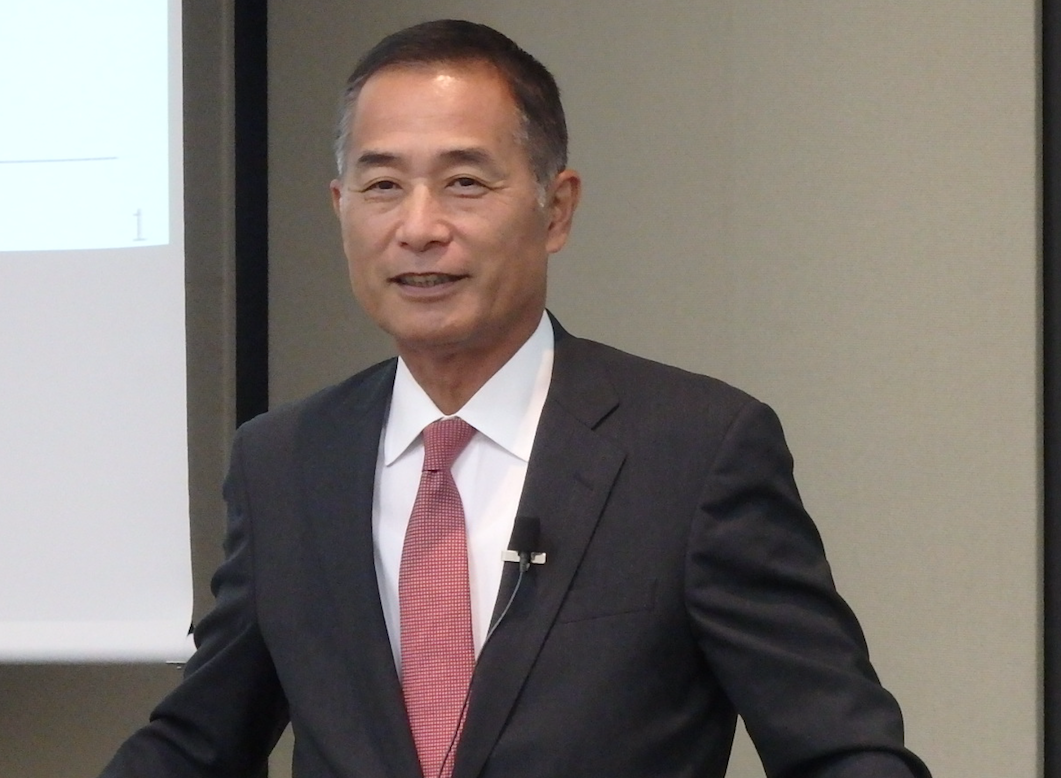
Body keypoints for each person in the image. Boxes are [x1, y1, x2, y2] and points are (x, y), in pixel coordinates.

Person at [101, 19, 930, 778]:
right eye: (382, 186)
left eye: (464, 183)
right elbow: (198, 743)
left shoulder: (695, 452)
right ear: (340, 208)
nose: (418, 228)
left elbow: (842, 751)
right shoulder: (283, 462)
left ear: (555, 209)